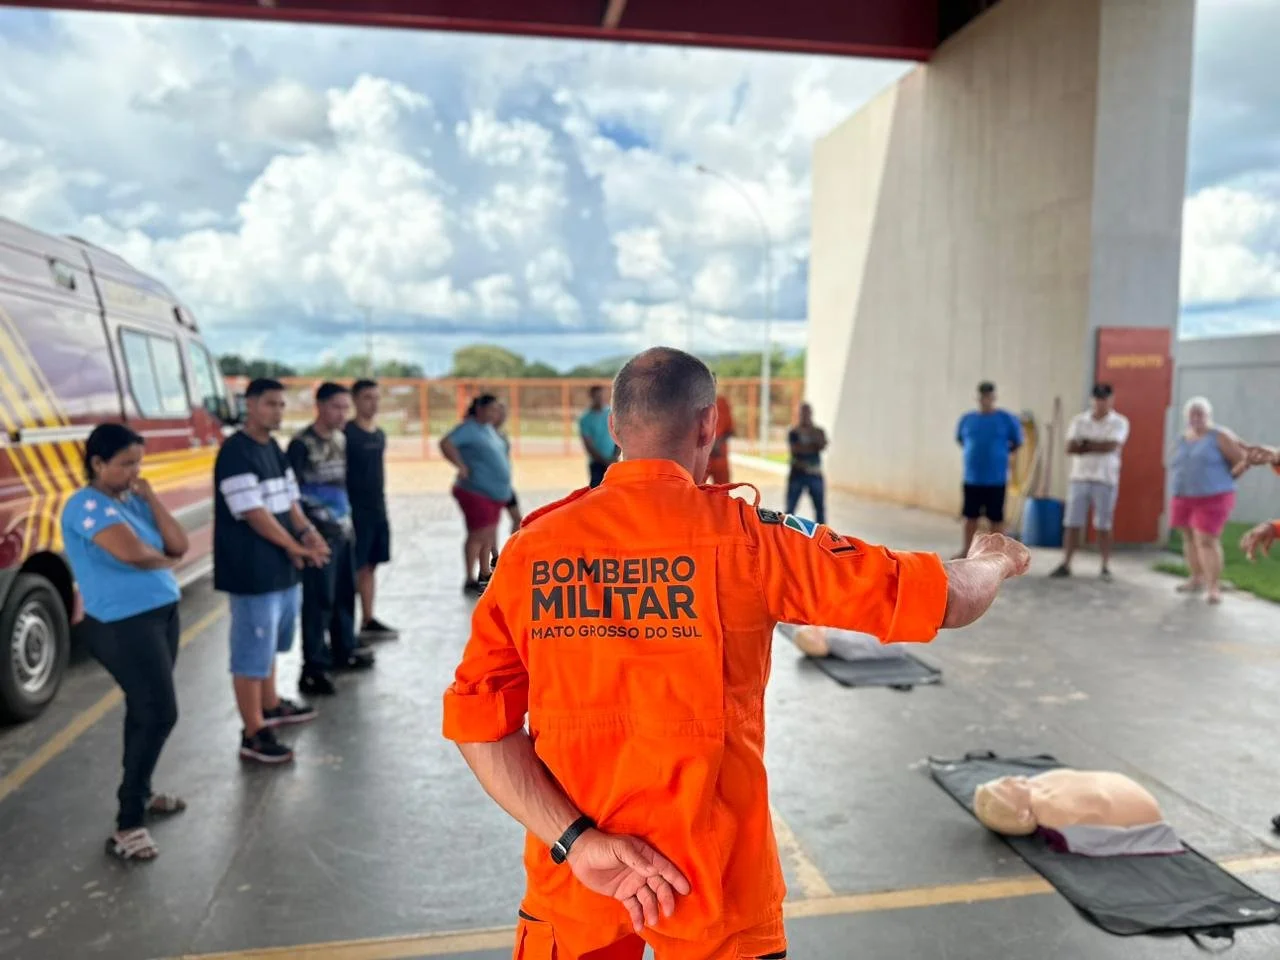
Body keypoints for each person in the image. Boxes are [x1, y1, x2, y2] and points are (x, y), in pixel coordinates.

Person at [441, 346, 1030, 959]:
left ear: (614, 429)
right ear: (707, 424)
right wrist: (994, 558)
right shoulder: (753, 540)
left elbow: (479, 726)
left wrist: (578, 842)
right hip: (715, 890)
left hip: (578, 885)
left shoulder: (531, 549)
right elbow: (943, 600)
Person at [62, 425, 189, 861]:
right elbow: (132, 553)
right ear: (98, 463)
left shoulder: (132, 500)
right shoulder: (86, 506)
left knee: (145, 710)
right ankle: (128, 822)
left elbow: (179, 540)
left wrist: (151, 496)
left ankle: (142, 790)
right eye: (126, 464)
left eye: (139, 462)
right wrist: (169, 561)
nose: (135, 471)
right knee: (159, 712)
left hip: (161, 614)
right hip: (122, 624)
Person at [215, 378, 326, 764]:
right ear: (249, 405)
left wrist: (308, 535)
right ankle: (253, 731)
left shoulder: (274, 451)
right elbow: (253, 513)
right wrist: (296, 547)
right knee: (250, 652)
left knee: (269, 646)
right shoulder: (235, 453)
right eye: (270, 404)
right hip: (252, 571)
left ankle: (271, 704)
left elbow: (289, 502)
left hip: (281, 569)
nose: (277, 412)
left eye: (281, 405)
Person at [289, 382, 376, 696]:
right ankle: (313, 667)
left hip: (343, 531)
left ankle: (344, 650)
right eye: (336, 407)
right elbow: (292, 496)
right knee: (318, 602)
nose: (343, 414)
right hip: (318, 538)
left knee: (343, 594)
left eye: (345, 407)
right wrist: (305, 535)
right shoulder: (302, 444)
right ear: (320, 407)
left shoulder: (341, 440)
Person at [1167, 397, 1250, 604]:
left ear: (1208, 416)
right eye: (1192, 414)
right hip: (1183, 495)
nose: (1196, 418)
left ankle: (1213, 587)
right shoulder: (1182, 438)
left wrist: (1224, 481)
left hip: (1214, 497)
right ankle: (1196, 578)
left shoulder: (1220, 436)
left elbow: (1242, 460)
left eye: (1200, 414)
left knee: (1206, 540)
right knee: (1188, 538)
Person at [1049, 384, 1130, 581]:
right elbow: (1070, 447)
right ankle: (1066, 563)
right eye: (1097, 398)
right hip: (1080, 477)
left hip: (1105, 478)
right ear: (1092, 400)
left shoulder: (1119, 422)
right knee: (1072, 523)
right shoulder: (1079, 421)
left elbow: (1111, 446)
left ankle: (1105, 565)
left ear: (1110, 400)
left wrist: (1084, 444)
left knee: (1104, 524)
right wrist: (1095, 445)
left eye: (1104, 398)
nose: (1100, 402)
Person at [441, 393, 513, 595]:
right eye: (491, 409)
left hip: (493, 492)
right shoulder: (469, 428)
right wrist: (460, 465)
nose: (494, 413)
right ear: (480, 410)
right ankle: (469, 578)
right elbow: (446, 443)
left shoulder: (488, 429)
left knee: (488, 533)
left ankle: (484, 572)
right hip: (475, 490)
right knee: (477, 534)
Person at [345, 379, 398, 641]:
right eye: (367, 397)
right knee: (355, 568)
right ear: (354, 400)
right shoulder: (346, 434)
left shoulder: (379, 434)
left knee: (370, 566)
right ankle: (343, 627)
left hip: (377, 508)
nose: (373, 403)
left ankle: (368, 618)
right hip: (355, 511)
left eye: (376, 397)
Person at [954, 382, 1024, 558]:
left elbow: (1016, 442)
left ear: (994, 397)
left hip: (996, 478)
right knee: (970, 517)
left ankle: (995, 554)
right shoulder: (967, 419)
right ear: (978, 398)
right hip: (973, 478)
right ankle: (967, 551)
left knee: (996, 519)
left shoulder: (1006, 419)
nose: (986, 400)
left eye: (989, 396)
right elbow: (962, 440)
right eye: (982, 396)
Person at [786, 403, 828, 524]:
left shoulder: (818, 431)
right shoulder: (793, 432)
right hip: (797, 474)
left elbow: (822, 445)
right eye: (802, 413)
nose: (804, 416)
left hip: (814, 474)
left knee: (819, 508)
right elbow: (796, 449)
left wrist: (807, 443)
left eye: (807, 413)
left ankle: (824, 536)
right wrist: (812, 445)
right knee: (790, 509)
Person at [493, 401, 523, 560]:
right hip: (489, 487)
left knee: (517, 518)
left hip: (504, 485)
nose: (503, 416)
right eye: (499, 412)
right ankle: (493, 556)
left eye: (504, 413)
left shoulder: (501, 435)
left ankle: (510, 552)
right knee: (490, 525)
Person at [579, 385, 619, 488]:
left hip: (613, 461)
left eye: (601, 395)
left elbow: (619, 434)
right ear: (591, 396)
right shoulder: (585, 418)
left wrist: (614, 457)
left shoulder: (612, 414)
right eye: (597, 396)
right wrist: (604, 461)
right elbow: (588, 444)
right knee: (596, 492)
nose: (600, 398)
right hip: (596, 463)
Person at [704, 393, 735, 484]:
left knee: (723, 492)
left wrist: (717, 443)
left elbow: (730, 430)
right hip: (702, 457)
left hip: (719, 455)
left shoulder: (722, 402)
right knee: (696, 491)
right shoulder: (696, 401)